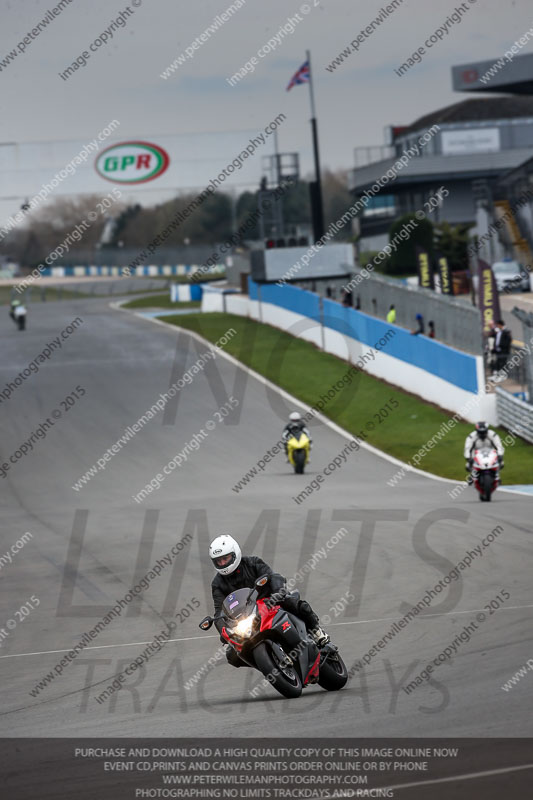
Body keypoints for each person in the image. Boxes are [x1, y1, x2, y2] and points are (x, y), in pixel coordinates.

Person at [209, 535, 330, 668]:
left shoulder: (252, 562)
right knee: (232, 656)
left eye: (225, 558)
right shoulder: (217, 583)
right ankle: (267, 664)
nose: (222, 563)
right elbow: (219, 611)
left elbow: (272, 576)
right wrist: (223, 631)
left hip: (270, 602)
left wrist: (278, 592)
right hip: (246, 617)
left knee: (293, 603)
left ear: (234, 553)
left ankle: (316, 631)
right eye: (218, 561)